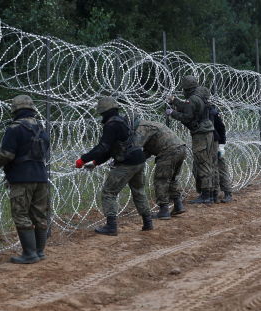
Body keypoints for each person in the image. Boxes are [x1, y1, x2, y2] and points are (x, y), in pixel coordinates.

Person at [0, 95, 50, 264]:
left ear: (15, 110)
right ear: (32, 109)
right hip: (41, 177)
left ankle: (29, 254)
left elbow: (7, 154)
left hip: (21, 178)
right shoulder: (41, 129)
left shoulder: (15, 128)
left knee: (20, 214)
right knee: (40, 215)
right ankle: (39, 252)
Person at [76, 96, 153, 236]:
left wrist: (83, 159)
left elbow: (103, 147)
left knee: (109, 192)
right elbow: (113, 148)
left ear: (103, 111)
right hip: (138, 159)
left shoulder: (111, 125)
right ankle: (148, 222)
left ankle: (111, 226)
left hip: (127, 163)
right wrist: (95, 162)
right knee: (139, 190)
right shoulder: (121, 121)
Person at [166, 75, 217, 204]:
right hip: (208, 132)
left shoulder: (193, 99)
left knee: (202, 163)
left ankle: (206, 196)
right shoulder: (200, 96)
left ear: (186, 87)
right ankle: (210, 194)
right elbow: (187, 107)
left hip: (200, 134)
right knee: (208, 162)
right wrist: (175, 101)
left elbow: (187, 116)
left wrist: (172, 113)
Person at [134, 119, 187, 219]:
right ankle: (178, 205)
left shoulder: (141, 128)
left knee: (161, 180)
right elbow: (148, 150)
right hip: (181, 148)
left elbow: (136, 147)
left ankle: (164, 210)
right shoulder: (151, 125)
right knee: (172, 178)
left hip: (168, 152)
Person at [210, 106, 233, 203]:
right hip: (206, 144)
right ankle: (213, 193)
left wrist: (222, 145)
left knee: (221, 168)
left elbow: (221, 128)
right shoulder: (198, 110)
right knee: (209, 169)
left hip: (217, 143)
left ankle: (227, 193)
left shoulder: (212, 111)